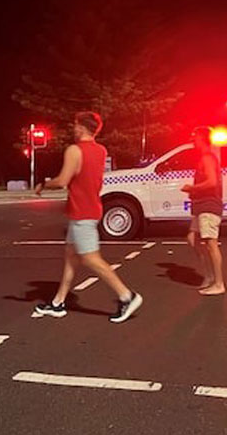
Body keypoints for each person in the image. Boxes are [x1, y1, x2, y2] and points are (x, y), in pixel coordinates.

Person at [33, 111, 142, 323]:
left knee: (91, 258)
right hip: (90, 208)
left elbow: (63, 180)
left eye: (75, 125)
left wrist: (43, 184)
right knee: (71, 257)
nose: (73, 128)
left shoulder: (74, 150)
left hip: (82, 212)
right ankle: (58, 303)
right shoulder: (100, 150)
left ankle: (127, 296)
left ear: (82, 127)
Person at [183, 127, 225, 295]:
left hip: (209, 206)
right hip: (201, 206)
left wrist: (192, 188)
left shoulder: (207, 158)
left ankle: (219, 283)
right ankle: (208, 276)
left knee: (210, 243)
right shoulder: (205, 158)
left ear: (202, 139)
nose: (193, 142)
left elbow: (212, 182)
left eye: (195, 138)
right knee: (192, 239)